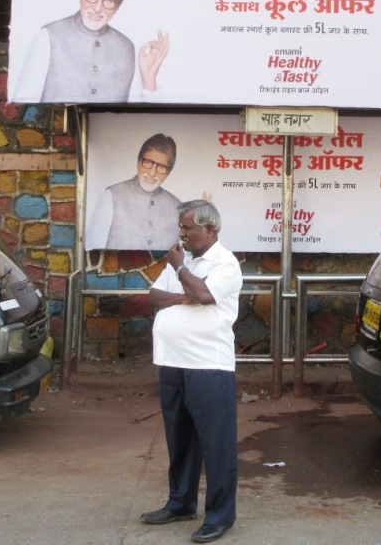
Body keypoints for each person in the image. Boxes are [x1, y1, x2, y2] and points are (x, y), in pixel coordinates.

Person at [140, 200, 242, 543]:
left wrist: (182, 272)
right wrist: (180, 295)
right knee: (179, 438)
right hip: (172, 361)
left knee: (216, 442)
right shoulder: (183, 261)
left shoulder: (224, 263)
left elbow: (203, 294)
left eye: (187, 228)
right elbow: (154, 295)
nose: (180, 234)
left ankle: (220, 515)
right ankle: (181, 502)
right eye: (180, 227)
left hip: (207, 365)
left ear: (208, 229)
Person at [12, 0, 170, 103]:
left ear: (117, 7)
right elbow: (23, 106)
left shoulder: (127, 47)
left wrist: (149, 80)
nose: (97, 7)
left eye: (108, 1)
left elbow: (139, 119)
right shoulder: (48, 36)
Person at [87, 133, 181, 251]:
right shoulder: (111, 196)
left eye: (161, 167)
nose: (152, 173)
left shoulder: (177, 207)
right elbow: (91, 250)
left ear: (168, 173)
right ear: (138, 162)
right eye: (147, 163)